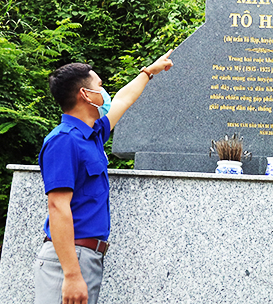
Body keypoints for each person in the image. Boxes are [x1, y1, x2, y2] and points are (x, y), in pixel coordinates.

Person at [33, 51, 173, 304]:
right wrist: (72, 274)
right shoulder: (64, 141)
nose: (105, 92)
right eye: (100, 86)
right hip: (69, 258)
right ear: (85, 95)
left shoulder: (91, 134)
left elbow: (122, 100)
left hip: (87, 256)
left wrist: (149, 72)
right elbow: (57, 206)